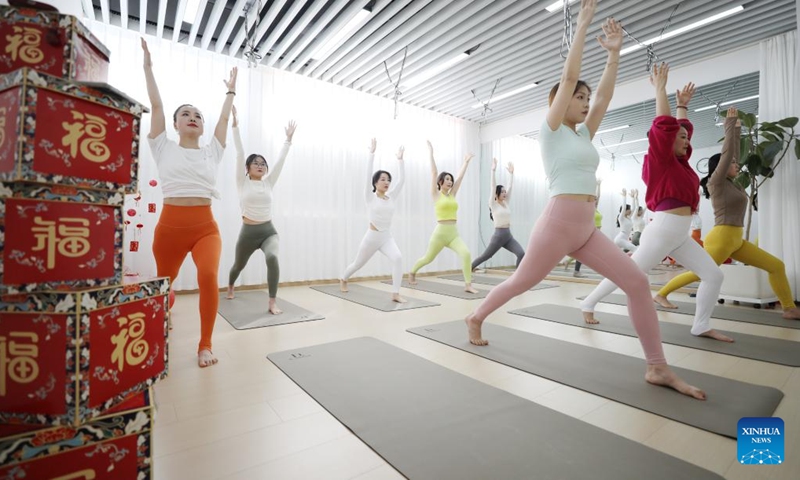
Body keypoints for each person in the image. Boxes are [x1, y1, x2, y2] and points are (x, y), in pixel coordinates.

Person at [464, 2, 705, 400]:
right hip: (557, 224)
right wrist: (584, 26)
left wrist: (614, 55)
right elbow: (569, 74)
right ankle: (476, 315)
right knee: (523, 281)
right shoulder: (552, 130)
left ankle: (657, 366)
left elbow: (606, 98)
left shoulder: (582, 135)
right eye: (578, 96)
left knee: (636, 282)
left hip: (585, 228)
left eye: (585, 97)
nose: (584, 100)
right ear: (558, 102)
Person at [580, 62, 728, 342]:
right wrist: (660, 90)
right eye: (681, 138)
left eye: (686, 137)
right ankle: (588, 302)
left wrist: (682, 106)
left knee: (714, 276)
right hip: (662, 230)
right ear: (665, 141)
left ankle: (701, 325)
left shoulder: (681, 164)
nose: (687, 141)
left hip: (678, 234)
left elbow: (679, 128)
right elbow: (665, 127)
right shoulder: (659, 161)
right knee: (628, 274)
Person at [654, 107, 800, 320]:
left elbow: (734, 155)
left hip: (736, 240)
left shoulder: (735, 184)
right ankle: (661, 293)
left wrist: (738, 128)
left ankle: (789, 308)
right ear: (719, 167)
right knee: (699, 273)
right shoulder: (717, 182)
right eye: (732, 163)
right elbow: (728, 154)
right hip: (722, 238)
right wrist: (731, 127)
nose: (736, 164)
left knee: (776, 266)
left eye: (736, 163)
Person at [142, 38, 235, 367]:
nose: (193, 117)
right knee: (163, 285)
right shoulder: (163, 146)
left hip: (205, 228)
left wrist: (230, 94)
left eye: (197, 115)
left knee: (208, 276)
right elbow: (155, 107)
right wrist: (148, 70)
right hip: (169, 228)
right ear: (176, 124)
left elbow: (223, 123)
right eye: (186, 114)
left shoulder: (212, 151)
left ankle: (205, 344)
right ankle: (158, 323)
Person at [225, 105, 297, 315]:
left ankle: (272, 302)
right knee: (238, 266)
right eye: (255, 163)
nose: (260, 165)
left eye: (263, 163)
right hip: (248, 233)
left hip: (268, 231)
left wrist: (288, 140)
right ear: (247, 169)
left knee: (272, 258)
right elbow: (239, 153)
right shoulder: (242, 183)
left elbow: (281, 161)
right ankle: (230, 286)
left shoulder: (269, 182)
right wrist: (236, 126)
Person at [340, 139, 407, 303]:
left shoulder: (392, 197)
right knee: (357, 264)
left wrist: (400, 160)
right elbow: (367, 174)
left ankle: (395, 293)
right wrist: (371, 154)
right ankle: (343, 278)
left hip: (386, 237)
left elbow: (402, 180)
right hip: (371, 237)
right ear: (375, 182)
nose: (387, 182)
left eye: (388, 180)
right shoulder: (369, 197)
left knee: (397, 258)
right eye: (383, 179)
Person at [409, 141, 477, 293]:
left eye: (450, 180)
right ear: (440, 182)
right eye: (447, 179)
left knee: (466, 253)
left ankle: (468, 285)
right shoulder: (435, 195)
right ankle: (412, 272)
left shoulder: (452, 194)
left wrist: (466, 162)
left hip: (453, 234)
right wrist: (431, 153)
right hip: (440, 234)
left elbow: (460, 179)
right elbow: (433, 173)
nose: (450, 181)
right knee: (428, 258)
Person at [471, 158, 525, 270]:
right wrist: (493, 171)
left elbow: (510, 187)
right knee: (486, 256)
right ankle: (469, 268)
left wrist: (511, 174)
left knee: (521, 253)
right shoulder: (493, 204)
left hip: (508, 236)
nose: (505, 193)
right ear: (497, 194)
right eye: (502, 192)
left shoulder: (506, 203)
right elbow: (492, 186)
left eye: (505, 192)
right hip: (498, 236)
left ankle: (516, 277)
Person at [573, 178, 603, 277]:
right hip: (588, 232)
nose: (595, 200)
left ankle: (575, 267)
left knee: (592, 250)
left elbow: (598, 196)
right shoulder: (585, 208)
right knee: (583, 250)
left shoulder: (595, 208)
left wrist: (598, 185)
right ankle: (576, 271)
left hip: (595, 233)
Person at [613, 188, 637, 252]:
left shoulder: (628, 218)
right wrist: (624, 196)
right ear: (625, 210)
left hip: (624, 239)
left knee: (618, 255)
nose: (630, 210)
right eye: (629, 209)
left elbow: (634, 208)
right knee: (635, 249)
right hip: (620, 239)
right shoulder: (621, 218)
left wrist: (633, 198)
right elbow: (623, 207)